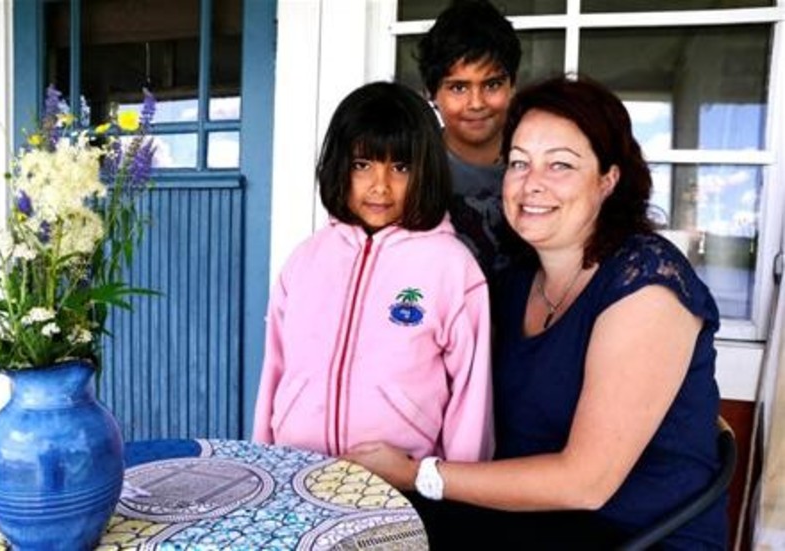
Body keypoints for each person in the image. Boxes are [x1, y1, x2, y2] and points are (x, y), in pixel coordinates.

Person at [345, 75, 728, 550]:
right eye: (520, 163)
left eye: (561, 165)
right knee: (362, 529)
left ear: (608, 179)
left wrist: (416, 474)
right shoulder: (514, 282)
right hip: (531, 522)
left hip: (640, 537)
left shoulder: (646, 281)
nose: (532, 185)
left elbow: (585, 483)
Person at [252, 82, 493, 467]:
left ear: (426, 171)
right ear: (339, 167)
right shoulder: (304, 260)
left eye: (400, 167)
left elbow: (471, 395)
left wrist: (455, 493)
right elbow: (275, 370)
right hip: (296, 475)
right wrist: (264, 461)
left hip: (400, 488)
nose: (380, 186)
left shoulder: (451, 267)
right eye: (362, 165)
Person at [417, 0, 522, 279]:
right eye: (458, 87)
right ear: (431, 93)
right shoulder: (413, 170)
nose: (476, 103)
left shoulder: (538, 167)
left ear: (513, 85)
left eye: (492, 84)